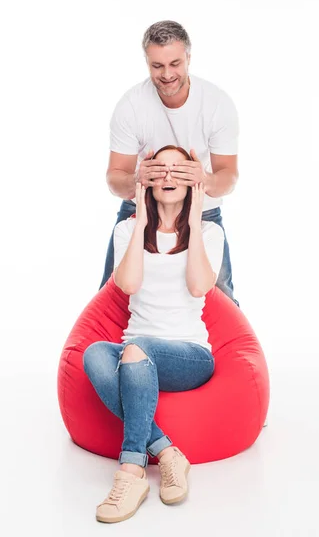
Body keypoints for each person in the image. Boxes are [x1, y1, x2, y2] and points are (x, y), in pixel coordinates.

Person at [83, 145, 225, 523]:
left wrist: (194, 221)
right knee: (95, 353)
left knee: (136, 347)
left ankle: (131, 471)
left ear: (192, 182)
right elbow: (127, 284)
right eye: (159, 169)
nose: (167, 177)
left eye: (179, 171)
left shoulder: (209, 233)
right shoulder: (127, 230)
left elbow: (199, 287)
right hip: (136, 353)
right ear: (145, 179)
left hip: (189, 355)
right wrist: (141, 215)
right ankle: (167, 453)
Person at [99, 19, 239, 305]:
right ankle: (107, 349)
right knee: (109, 295)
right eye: (157, 66)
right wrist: (137, 179)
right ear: (147, 62)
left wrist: (206, 179)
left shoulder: (216, 104)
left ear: (188, 57)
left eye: (175, 63)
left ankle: (217, 351)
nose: (167, 74)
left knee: (221, 296)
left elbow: (229, 177)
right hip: (142, 205)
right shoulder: (132, 106)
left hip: (201, 209)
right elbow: (115, 178)